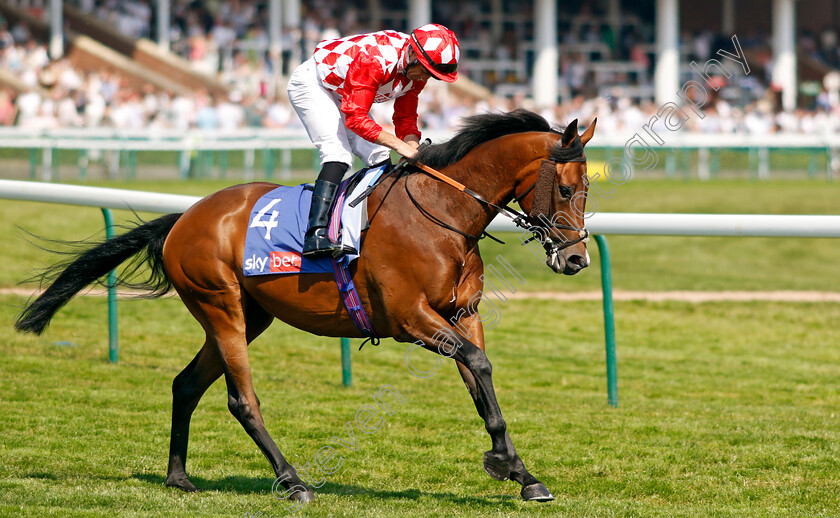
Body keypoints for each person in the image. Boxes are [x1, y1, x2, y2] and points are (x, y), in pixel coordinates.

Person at [287, 23, 460, 258]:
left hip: (346, 94)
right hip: (315, 85)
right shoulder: (376, 59)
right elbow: (355, 118)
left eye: (431, 75)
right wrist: (400, 145)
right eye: (425, 71)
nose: (425, 78)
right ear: (412, 54)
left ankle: (372, 230)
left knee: (379, 156)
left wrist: (412, 146)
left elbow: (406, 117)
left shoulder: (418, 68)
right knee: (338, 155)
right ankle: (315, 234)